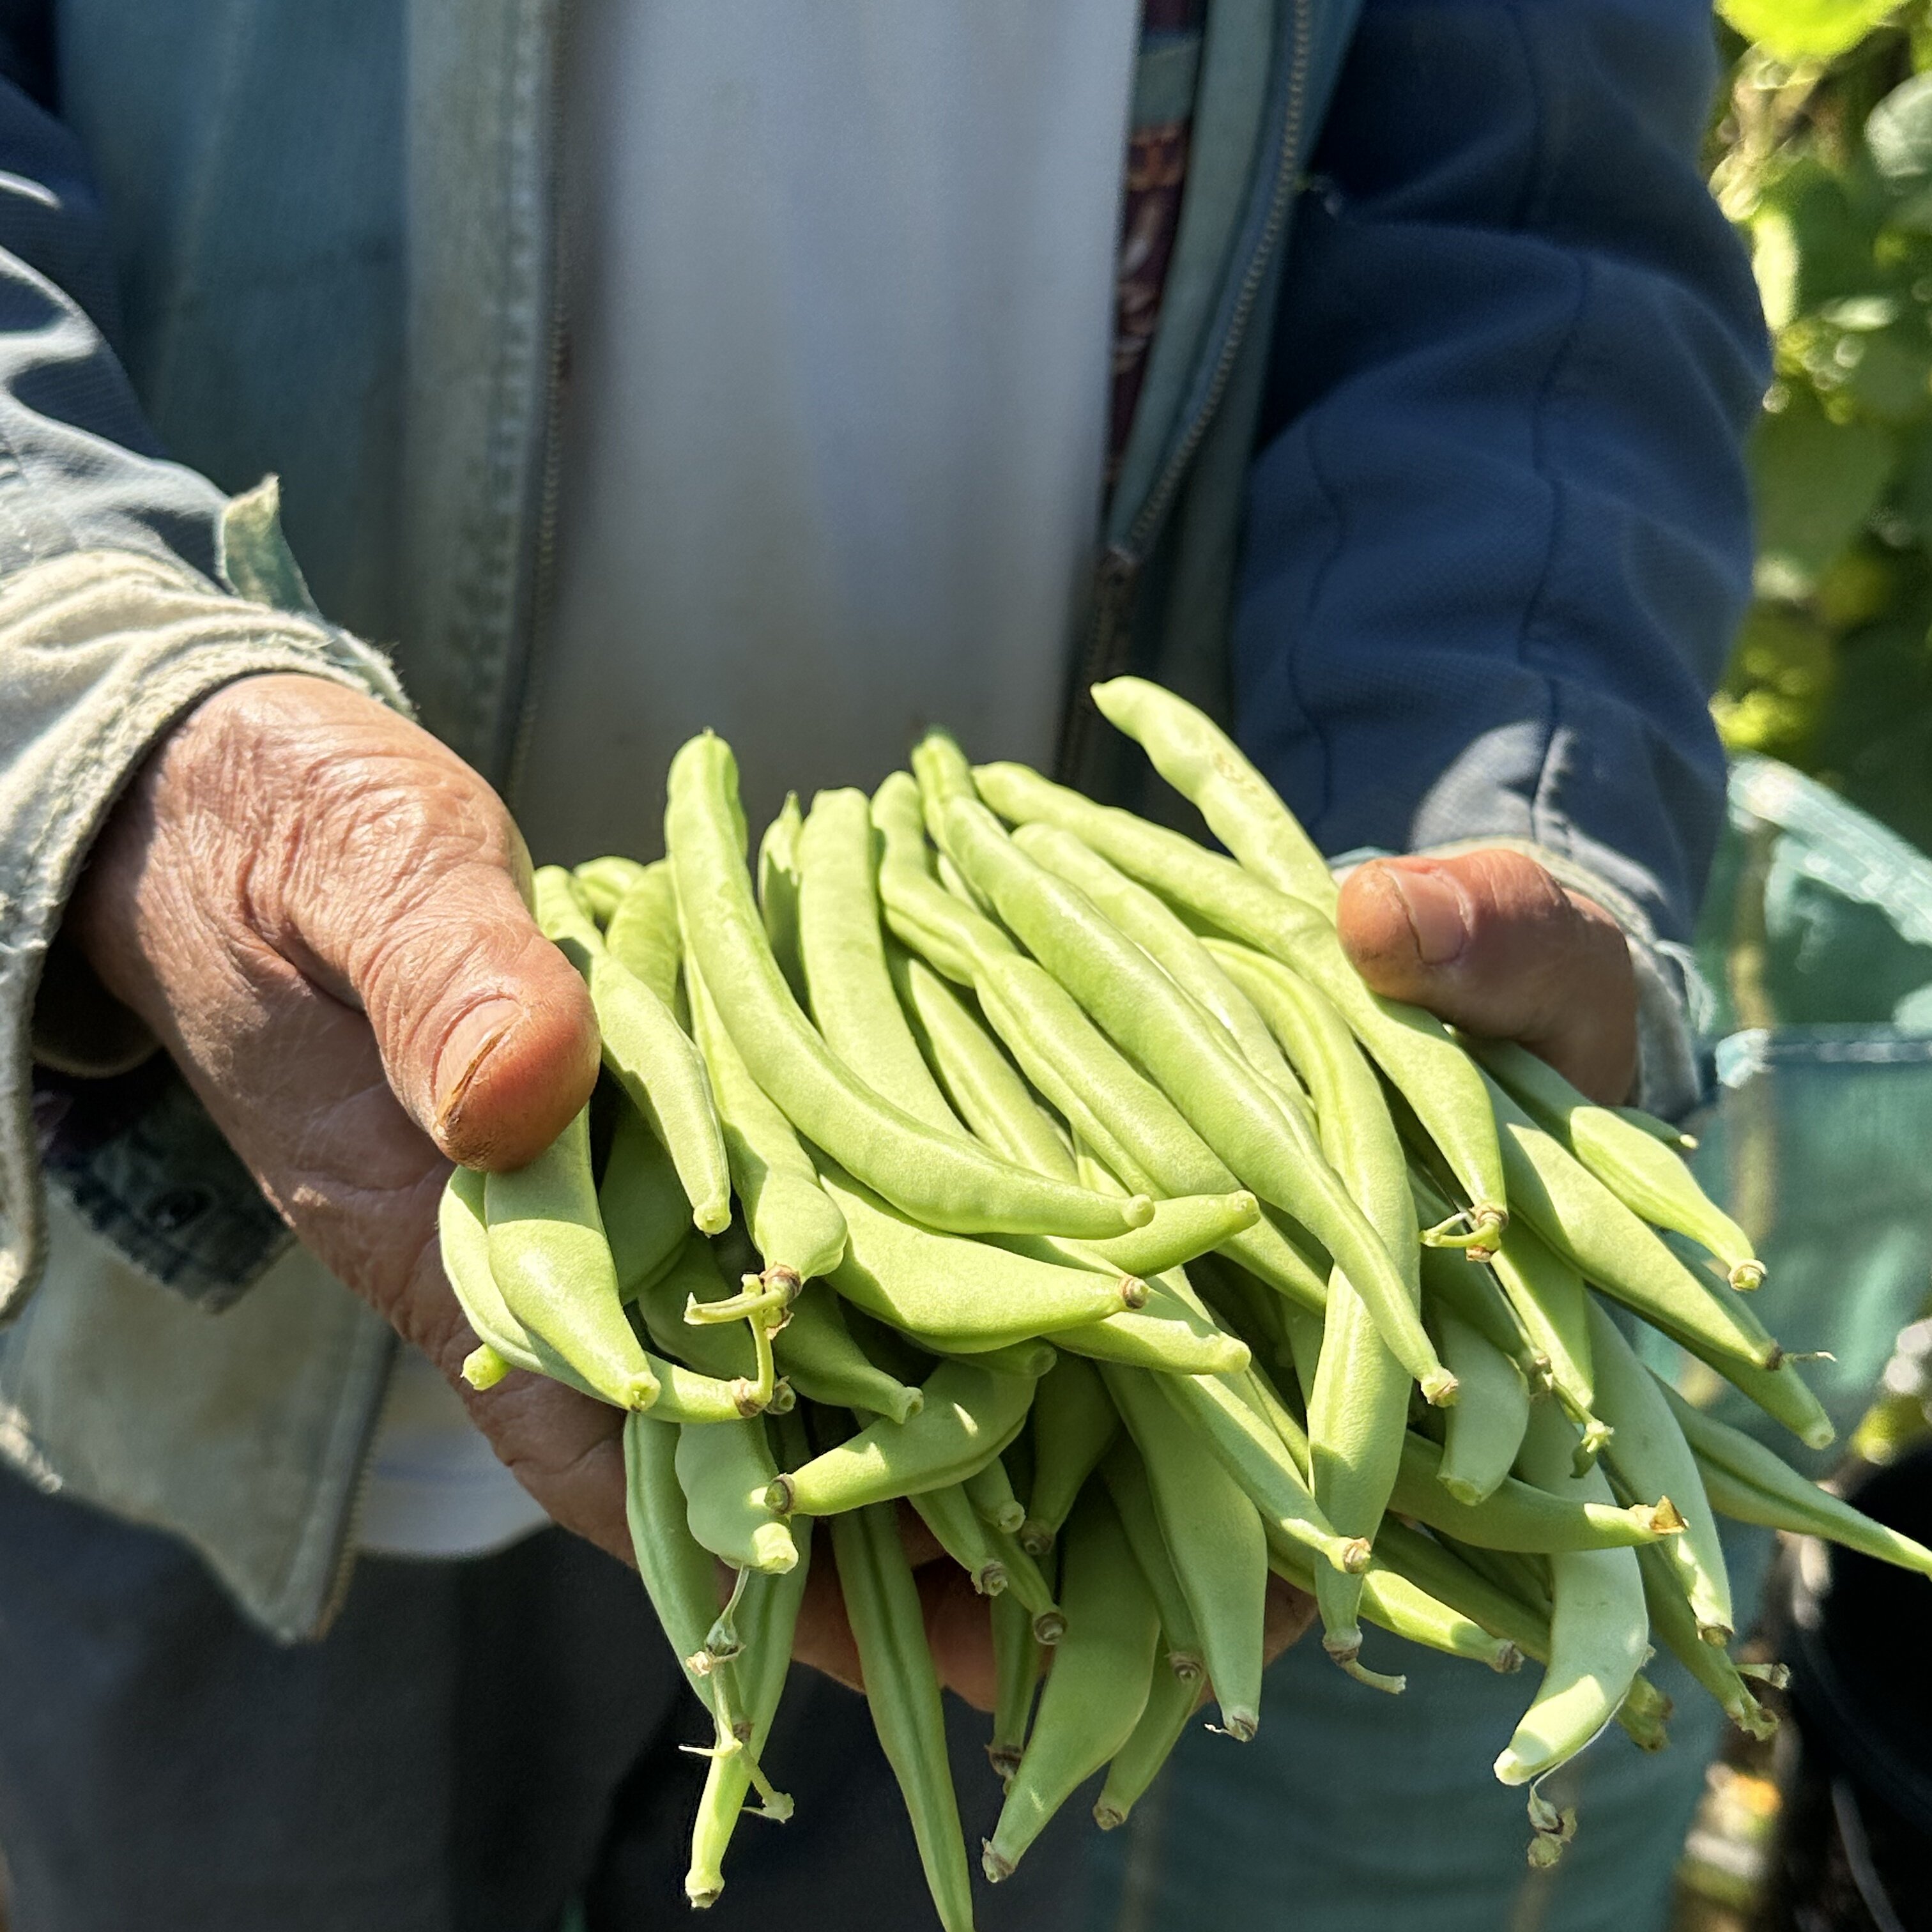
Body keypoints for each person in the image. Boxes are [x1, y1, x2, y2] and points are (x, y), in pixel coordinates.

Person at [0, 0, 1763, 1928]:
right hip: (205, 1244)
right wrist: (111, 706)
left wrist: (1505, 788)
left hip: (1055, 1362)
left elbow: (1527, 220)